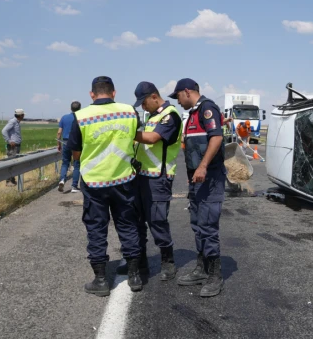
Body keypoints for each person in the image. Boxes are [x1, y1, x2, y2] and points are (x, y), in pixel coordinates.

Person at [67, 76, 145, 296]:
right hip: (124, 180)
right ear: (114, 93)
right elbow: (134, 137)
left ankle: (101, 280)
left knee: (96, 229)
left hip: (95, 182)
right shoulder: (129, 111)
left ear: (92, 94)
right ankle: (135, 276)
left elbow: (76, 151)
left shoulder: (81, 116)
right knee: (128, 226)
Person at [119, 81, 182, 282]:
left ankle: (168, 262)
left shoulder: (170, 115)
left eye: (144, 103)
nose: (143, 107)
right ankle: (140, 263)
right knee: (137, 222)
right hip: (141, 176)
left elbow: (154, 138)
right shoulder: (154, 115)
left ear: (155, 96)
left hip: (158, 177)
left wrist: (126, 133)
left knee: (157, 221)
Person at [169, 78, 226, 297]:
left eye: (178, 97)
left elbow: (216, 138)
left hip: (210, 177)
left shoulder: (207, 108)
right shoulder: (192, 113)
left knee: (208, 225)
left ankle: (215, 276)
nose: (178, 101)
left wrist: (202, 166)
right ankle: (202, 268)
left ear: (187, 92)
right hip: (198, 179)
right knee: (197, 223)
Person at [57, 101, 82, 193]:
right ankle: (74, 186)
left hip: (65, 142)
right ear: (80, 108)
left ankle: (62, 180)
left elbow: (59, 132)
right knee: (76, 164)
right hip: (76, 142)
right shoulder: (80, 117)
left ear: (70, 108)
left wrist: (58, 144)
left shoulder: (64, 117)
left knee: (65, 163)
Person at [2, 109, 25, 186]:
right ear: (21, 115)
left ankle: (12, 180)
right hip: (13, 146)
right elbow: (4, 131)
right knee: (11, 163)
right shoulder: (13, 122)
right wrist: (9, 141)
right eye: (23, 114)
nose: (24, 116)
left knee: (14, 163)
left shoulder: (17, 122)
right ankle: (8, 181)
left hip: (16, 145)